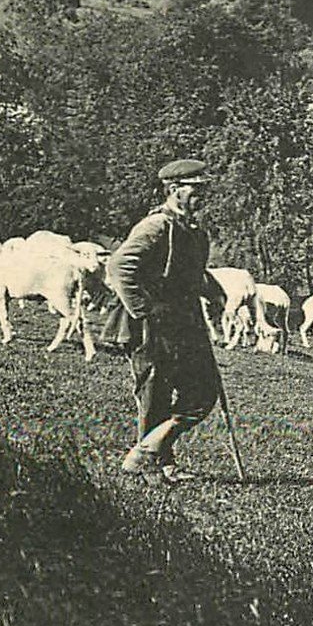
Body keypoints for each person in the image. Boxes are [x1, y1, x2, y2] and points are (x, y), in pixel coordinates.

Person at [103, 158, 219, 485]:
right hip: (150, 325)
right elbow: (119, 267)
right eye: (195, 190)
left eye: (204, 189)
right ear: (173, 190)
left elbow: (190, 273)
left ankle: (148, 451)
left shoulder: (192, 231)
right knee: (155, 394)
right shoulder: (156, 227)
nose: (202, 196)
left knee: (202, 392)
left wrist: (214, 292)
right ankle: (157, 464)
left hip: (182, 323)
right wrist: (144, 310)